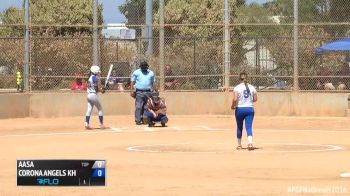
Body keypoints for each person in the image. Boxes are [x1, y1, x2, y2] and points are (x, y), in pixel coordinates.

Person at [231, 72, 258, 151]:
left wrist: (233, 106)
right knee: (248, 127)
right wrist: (249, 101)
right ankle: (250, 143)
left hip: (240, 109)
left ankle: (239, 145)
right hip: (250, 109)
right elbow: (255, 99)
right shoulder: (252, 87)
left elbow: (235, 99)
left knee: (239, 127)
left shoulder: (237, 88)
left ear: (240, 79)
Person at [85, 65, 108, 130]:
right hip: (93, 95)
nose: (99, 73)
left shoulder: (90, 78)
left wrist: (101, 89)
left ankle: (86, 124)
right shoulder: (95, 78)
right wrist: (102, 90)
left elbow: (95, 88)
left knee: (89, 110)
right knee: (100, 109)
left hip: (88, 95)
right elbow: (96, 89)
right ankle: (101, 124)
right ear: (95, 72)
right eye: (98, 72)